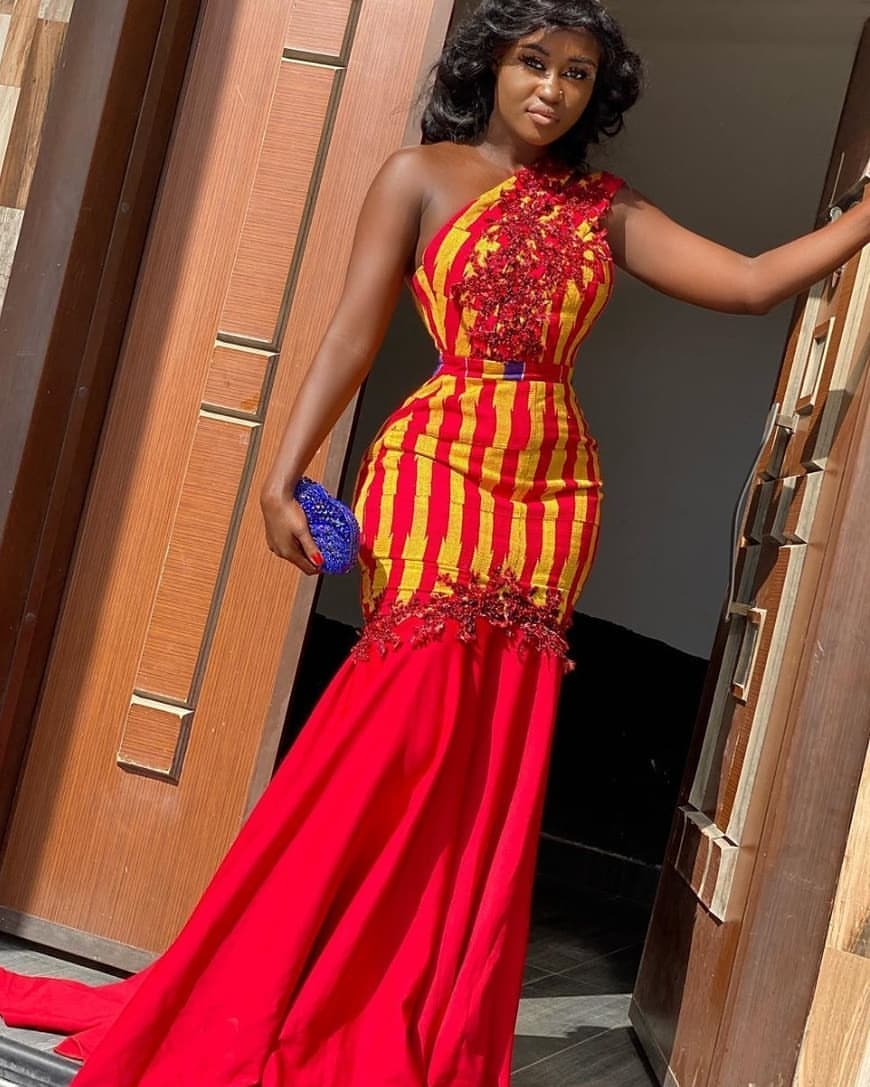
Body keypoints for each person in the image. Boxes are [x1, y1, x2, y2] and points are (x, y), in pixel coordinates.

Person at [0, 1, 868, 1084]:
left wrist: (863, 217)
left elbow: (747, 285)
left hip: (553, 491)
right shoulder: (416, 175)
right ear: (490, 66)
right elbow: (353, 331)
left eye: (578, 74)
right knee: (397, 734)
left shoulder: (602, 207)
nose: (552, 89)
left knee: (488, 751)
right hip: (436, 468)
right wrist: (283, 471)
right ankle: (288, 975)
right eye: (534, 63)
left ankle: (416, 991)